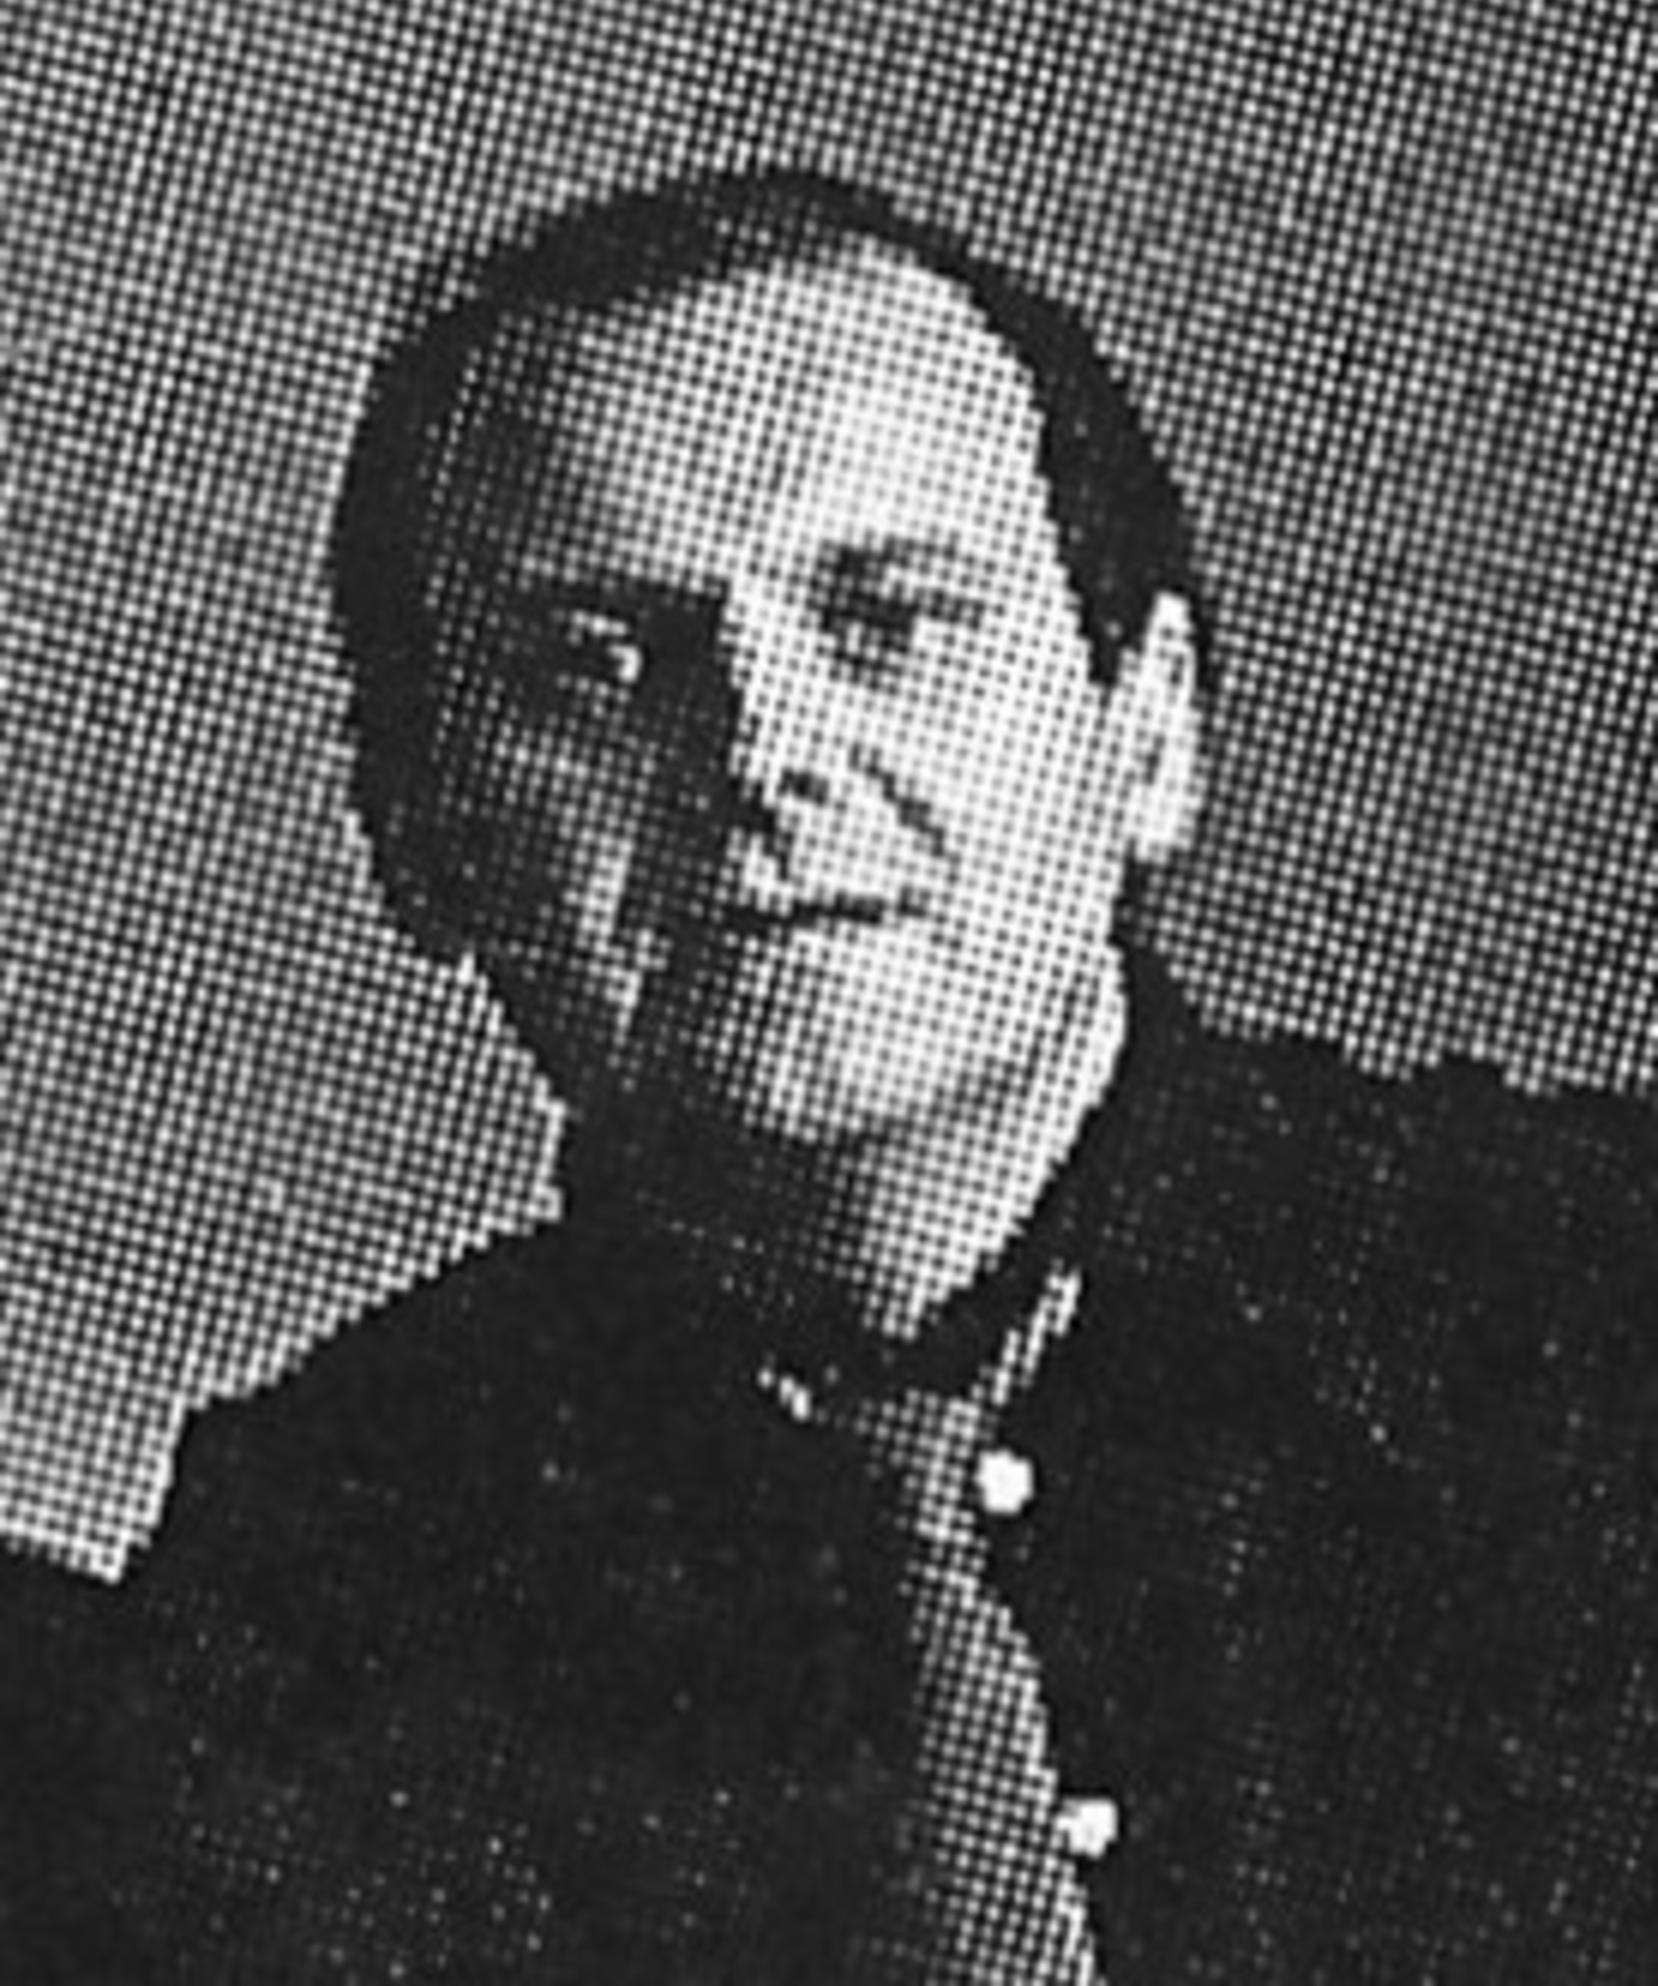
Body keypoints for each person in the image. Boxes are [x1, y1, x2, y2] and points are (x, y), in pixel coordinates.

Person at [4, 165, 1656, 1982]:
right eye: (593, 666)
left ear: (1147, 732)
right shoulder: (320, 1569)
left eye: (893, 620)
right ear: (417, 837)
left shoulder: (1595, 1314)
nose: (758, 755)